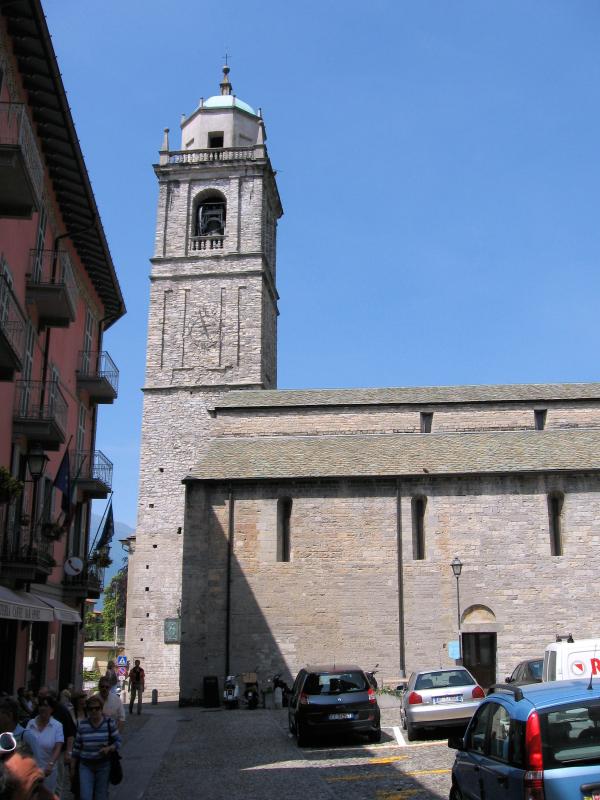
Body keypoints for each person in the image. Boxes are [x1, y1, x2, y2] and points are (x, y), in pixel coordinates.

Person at [70, 695, 121, 800]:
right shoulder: (83, 725)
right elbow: (76, 748)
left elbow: (118, 741)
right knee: (85, 796)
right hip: (86, 765)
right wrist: (72, 767)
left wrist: (109, 748)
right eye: (91, 709)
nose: (94, 711)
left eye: (97, 708)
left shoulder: (109, 723)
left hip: (103, 765)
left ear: (101, 709)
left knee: (100, 795)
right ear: (87, 710)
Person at [36, 689, 75, 799]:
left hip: (59, 753)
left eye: (44, 697)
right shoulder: (38, 710)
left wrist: (68, 751)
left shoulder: (62, 710)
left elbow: (70, 732)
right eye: (40, 697)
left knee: (57, 782)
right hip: (40, 753)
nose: (42, 700)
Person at [23, 696, 63, 795]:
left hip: (48, 770)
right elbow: (24, 744)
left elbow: (58, 747)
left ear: (52, 709)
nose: (42, 708)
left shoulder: (57, 726)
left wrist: (50, 764)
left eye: (45, 705)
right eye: (41, 705)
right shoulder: (30, 723)